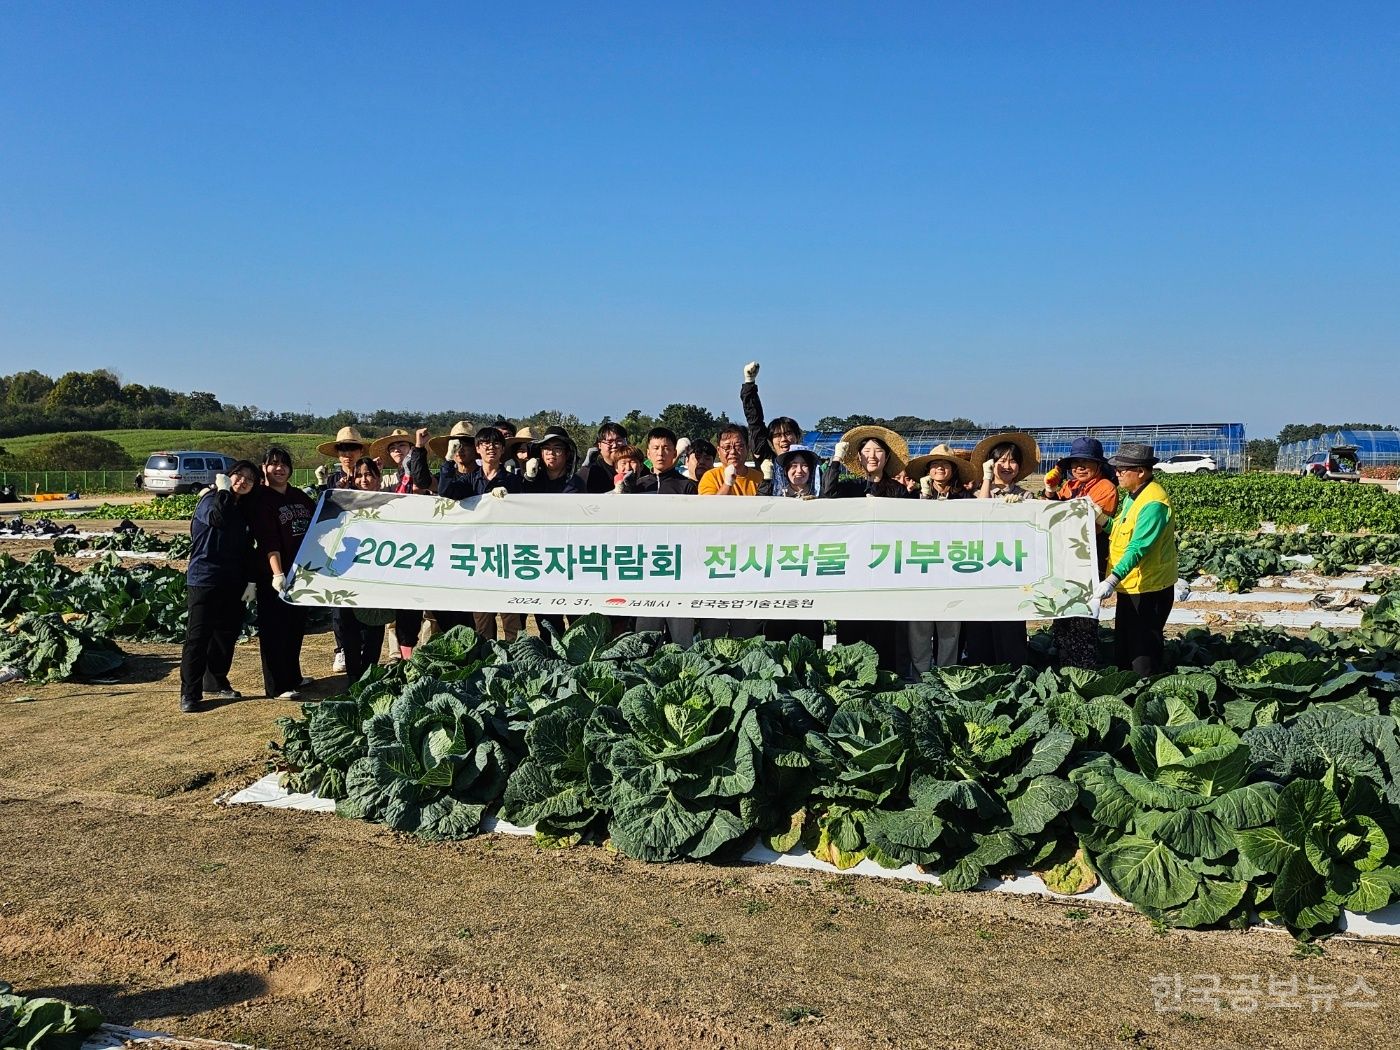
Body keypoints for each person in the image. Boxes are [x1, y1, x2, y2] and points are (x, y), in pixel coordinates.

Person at [415, 425, 522, 638]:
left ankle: (515, 662)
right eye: (485, 444)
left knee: (511, 619)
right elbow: (446, 492)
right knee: (482, 621)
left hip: (507, 557)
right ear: (478, 449)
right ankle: (486, 662)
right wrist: (447, 461)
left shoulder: (514, 481)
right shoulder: (469, 480)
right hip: (479, 558)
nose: (491, 448)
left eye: (496, 444)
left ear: (502, 450)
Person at [825, 425, 914, 670]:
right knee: (851, 632)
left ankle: (887, 679)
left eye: (878, 451)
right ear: (858, 457)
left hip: (884, 570)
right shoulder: (850, 488)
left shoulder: (898, 492)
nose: (872, 456)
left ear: (887, 457)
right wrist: (835, 460)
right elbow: (827, 494)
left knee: (884, 631)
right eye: (866, 451)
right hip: (852, 572)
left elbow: (908, 528)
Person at [179, 460, 259, 713]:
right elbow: (218, 519)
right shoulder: (210, 500)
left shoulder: (243, 509)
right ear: (228, 476)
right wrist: (223, 491)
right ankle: (190, 693)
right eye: (238, 476)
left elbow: (247, 548)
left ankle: (216, 680)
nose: (243, 481)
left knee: (225, 635)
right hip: (204, 579)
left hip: (233, 581)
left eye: (250, 478)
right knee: (198, 637)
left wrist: (251, 580)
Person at [1099, 443, 1179, 676]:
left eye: (1123, 469)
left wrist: (1112, 579)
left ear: (1141, 472)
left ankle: (1146, 692)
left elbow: (1139, 546)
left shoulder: (1154, 503)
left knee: (1142, 649)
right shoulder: (1133, 497)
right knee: (1125, 643)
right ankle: (1128, 690)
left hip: (1149, 587)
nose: (1118, 473)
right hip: (1132, 584)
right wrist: (1100, 518)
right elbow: (1120, 530)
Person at [1042, 437, 1120, 669]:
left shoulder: (1105, 488)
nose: (1079, 467)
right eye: (1075, 463)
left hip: (1089, 558)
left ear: (1098, 465)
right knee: (1062, 615)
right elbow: (1050, 516)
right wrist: (1050, 491)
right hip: (1065, 558)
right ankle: (1064, 663)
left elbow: (1091, 528)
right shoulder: (1069, 486)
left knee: (1082, 616)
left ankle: (1084, 668)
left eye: (1086, 462)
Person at [965, 431, 1040, 667]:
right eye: (1001, 461)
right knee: (980, 627)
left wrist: (1022, 508)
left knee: (1010, 627)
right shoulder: (976, 492)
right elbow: (980, 515)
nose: (1007, 466)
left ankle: (1015, 674)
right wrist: (987, 478)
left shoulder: (1025, 495)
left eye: (1012, 461)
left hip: (1010, 570)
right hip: (979, 570)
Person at [248, 446, 317, 699]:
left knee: (295, 626)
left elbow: (319, 521)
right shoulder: (262, 499)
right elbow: (268, 541)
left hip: (301, 573)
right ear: (264, 468)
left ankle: (293, 676)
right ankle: (277, 685)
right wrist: (277, 573)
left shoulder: (298, 495)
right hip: (275, 575)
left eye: (284, 464)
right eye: (273, 464)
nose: (279, 468)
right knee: (274, 629)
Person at [903, 444, 976, 675]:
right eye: (934, 464)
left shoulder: (964, 497)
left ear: (953, 469)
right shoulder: (912, 496)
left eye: (945, 464)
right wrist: (922, 498)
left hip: (952, 570)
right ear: (927, 470)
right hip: (921, 568)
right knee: (919, 627)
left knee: (950, 628)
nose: (939, 468)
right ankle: (919, 676)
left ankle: (947, 676)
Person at [624, 427, 699, 647]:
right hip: (646, 571)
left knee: (682, 640)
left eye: (666, 448)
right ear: (647, 453)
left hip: (679, 571)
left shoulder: (687, 487)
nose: (660, 453)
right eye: (656, 448)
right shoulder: (637, 487)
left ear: (674, 453)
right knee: (645, 639)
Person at [696, 424, 764, 639]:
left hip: (750, 559)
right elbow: (708, 511)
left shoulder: (759, 477)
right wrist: (728, 482)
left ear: (747, 448)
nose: (733, 451)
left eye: (738, 446)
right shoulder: (710, 477)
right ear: (719, 450)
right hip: (718, 558)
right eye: (727, 447)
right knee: (713, 628)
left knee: (745, 628)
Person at [330, 457, 391, 684]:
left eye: (369, 474)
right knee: (349, 627)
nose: (364, 479)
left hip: (377, 573)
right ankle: (353, 675)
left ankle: (370, 673)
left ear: (378, 477)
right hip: (348, 572)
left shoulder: (391, 502)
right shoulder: (345, 502)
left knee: (374, 625)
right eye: (360, 475)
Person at [757, 445, 825, 647]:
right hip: (780, 577)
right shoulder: (775, 497)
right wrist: (766, 480)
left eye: (805, 466)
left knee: (810, 637)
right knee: (779, 637)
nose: (799, 470)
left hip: (810, 578)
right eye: (793, 465)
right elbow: (757, 514)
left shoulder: (821, 499)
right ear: (785, 471)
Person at [738, 360, 813, 495]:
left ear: (798, 436)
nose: (783, 439)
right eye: (777, 436)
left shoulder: (810, 463)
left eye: (788, 433)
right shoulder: (767, 459)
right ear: (771, 441)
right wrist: (749, 384)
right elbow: (755, 423)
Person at [581, 422, 630, 493]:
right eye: (609, 442)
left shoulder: (637, 467)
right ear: (599, 445)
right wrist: (584, 468)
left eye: (619, 440)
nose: (615, 445)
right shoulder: (593, 471)